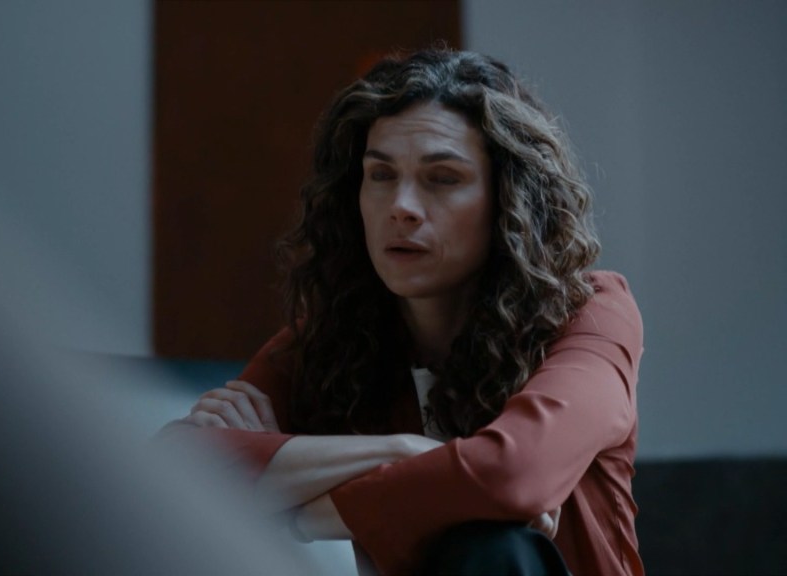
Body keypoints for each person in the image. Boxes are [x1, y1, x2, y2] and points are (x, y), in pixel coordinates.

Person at [164, 46, 644, 576]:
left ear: (509, 200)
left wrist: (298, 514)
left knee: (493, 546)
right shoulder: (337, 338)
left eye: (443, 178)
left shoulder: (592, 315)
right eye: (381, 175)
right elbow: (172, 474)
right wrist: (402, 449)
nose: (402, 207)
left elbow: (512, 474)